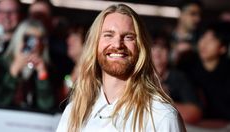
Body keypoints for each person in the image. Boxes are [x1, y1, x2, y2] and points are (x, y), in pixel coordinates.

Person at [56, 4, 186, 132]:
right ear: (95, 44)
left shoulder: (161, 117)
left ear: (141, 47)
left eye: (128, 37)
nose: (118, 44)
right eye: (108, 35)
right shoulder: (74, 112)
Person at [0, 19, 54, 112]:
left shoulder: (45, 69)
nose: (34, 44)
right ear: (18, 39)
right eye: (29, 38)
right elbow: (0, 103)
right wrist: (14, 71)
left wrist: (42, 75)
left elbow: (47, 107)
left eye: (40, 39)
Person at [185, 21, 230, 128]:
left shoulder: (227, 71)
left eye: (211, 40)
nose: (204, 43)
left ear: (223, 48)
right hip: (193, 125)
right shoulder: (188, 66)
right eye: (203, 38)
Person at [150, 32, 202, 124]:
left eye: (162, 47)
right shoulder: (136, 76)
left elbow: (194, 113)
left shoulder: (179, 78)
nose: (157, 51)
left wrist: (164, 101)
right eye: (153, 47)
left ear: (169, 52)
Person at [170, 0, 202, 66]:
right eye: (193, 14)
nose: (198, 19)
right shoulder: (166, 37)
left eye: (199, 15)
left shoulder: (201, 40)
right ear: (181, 14)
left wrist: (192, 48)